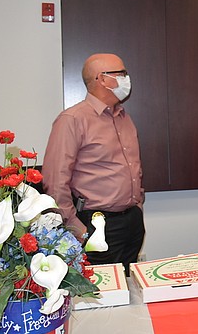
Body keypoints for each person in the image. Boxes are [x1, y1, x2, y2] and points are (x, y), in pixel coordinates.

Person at [43, 53, 145, 275]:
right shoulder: (72, 120)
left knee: (129, 289)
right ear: (102, 79)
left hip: (131, 221)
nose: (127, 78)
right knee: (104, 294)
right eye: (121, 73)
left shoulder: (123, 117)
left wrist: (137, 205)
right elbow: (55, 181)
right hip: (95, 223)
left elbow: (132, 168)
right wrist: (76, 228)